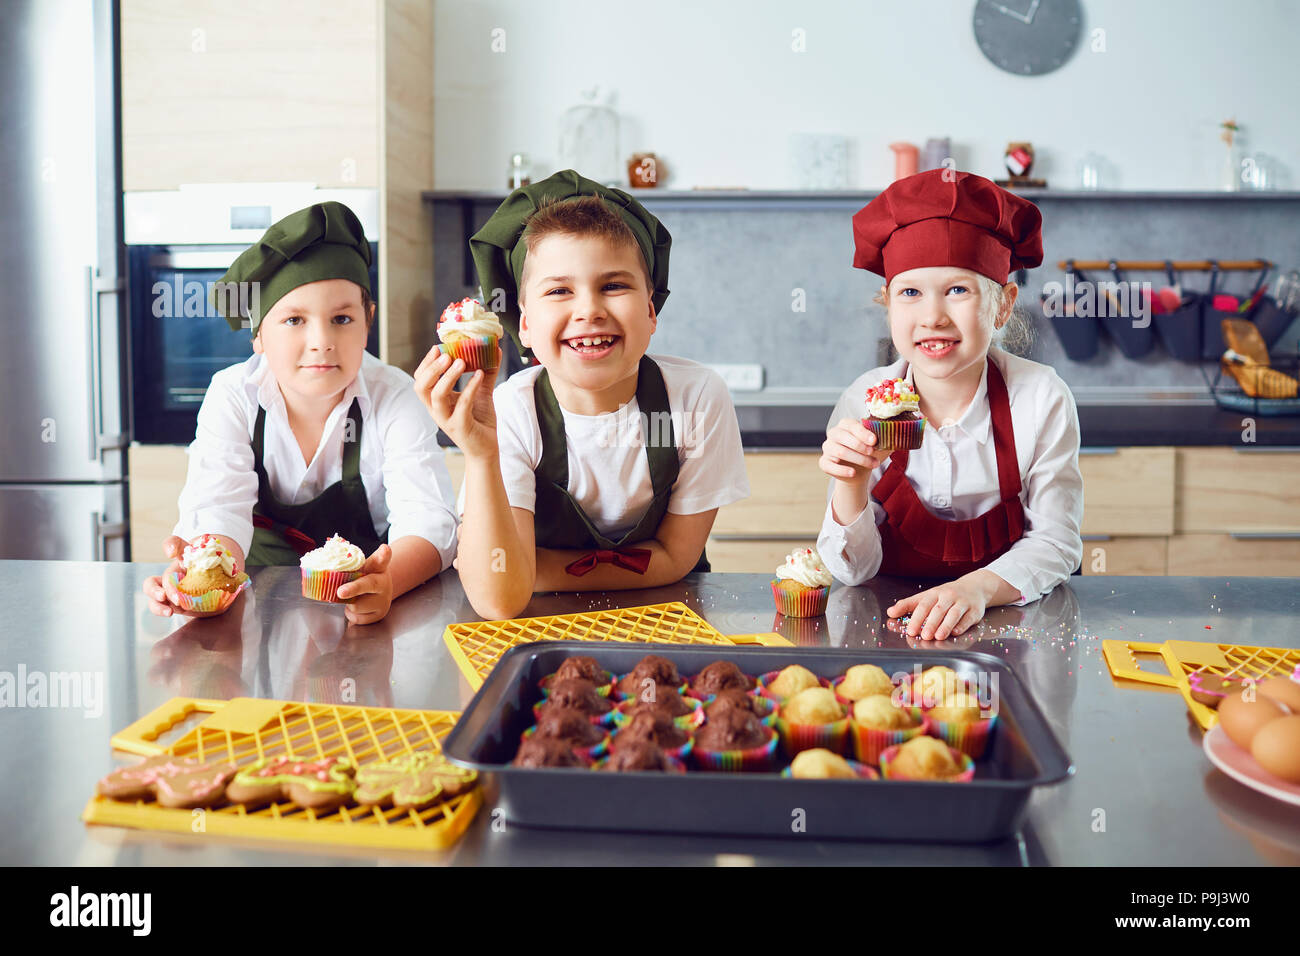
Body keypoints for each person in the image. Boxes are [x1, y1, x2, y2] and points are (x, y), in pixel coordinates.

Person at [415, 170, 749, 620]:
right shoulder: (511, 411)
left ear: (651, 312)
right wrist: (480, 454)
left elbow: (677, 558)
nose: (589, 309)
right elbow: (498, 599)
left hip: (671, 618)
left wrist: (534, 569)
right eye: (559, 291)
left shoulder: (695, 399)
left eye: (613, 285)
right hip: (535, 631)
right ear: (525, 325)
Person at [142, 202, 458, 625]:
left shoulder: (393, 395)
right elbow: (219, 508)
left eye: (342, 318)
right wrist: (205, 574)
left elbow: (429, 519)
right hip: (257, 611)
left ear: (368, 320)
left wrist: (387, 582)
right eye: (294, 320)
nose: (321, 341)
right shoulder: (233, 395)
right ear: (258, 336)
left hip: (363, 605)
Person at [817, 169, 1083, 640]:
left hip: (1013, 626)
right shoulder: (862, 399)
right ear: (889, 305)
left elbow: (1057, 541)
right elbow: (853, 573)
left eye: (958, 290)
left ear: (1002, 306)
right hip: (891, 626)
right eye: (910, 293)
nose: (933, 316)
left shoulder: (1040, 398)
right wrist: (851, 485)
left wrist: (975, 589)